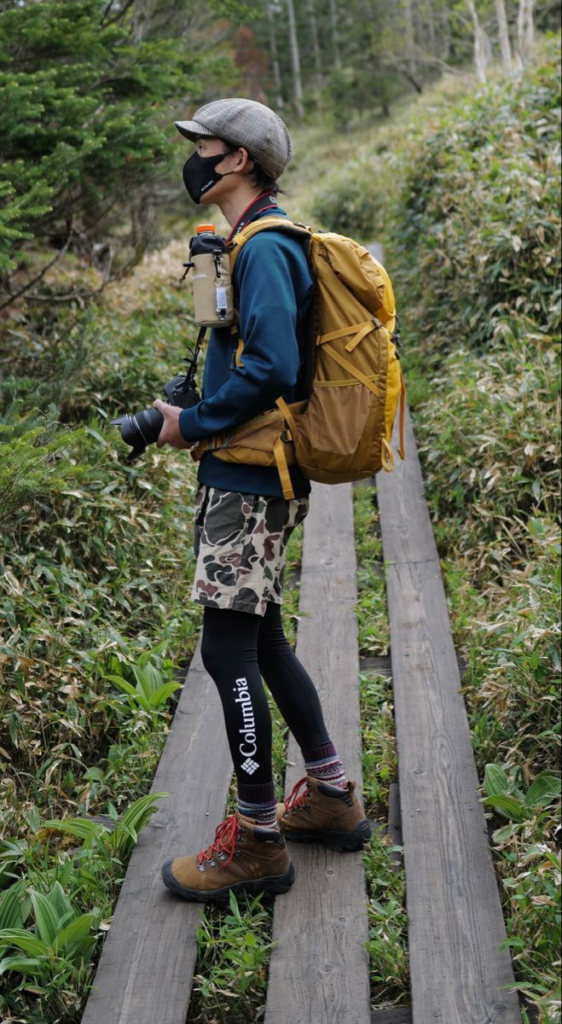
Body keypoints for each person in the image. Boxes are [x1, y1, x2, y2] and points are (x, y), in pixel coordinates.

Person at [155, 98, 370, 903]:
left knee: (227, 651)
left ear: (237, 159)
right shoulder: (247, 243)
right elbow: (243, 344)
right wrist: (210, 272)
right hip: (252, 473)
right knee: (265, 640)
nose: (194, 158)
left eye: (203, 146)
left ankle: (255, 840)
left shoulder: (267, 248)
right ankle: (330, 795)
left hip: (247, 478)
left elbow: (275, 366)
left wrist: (192, 424)